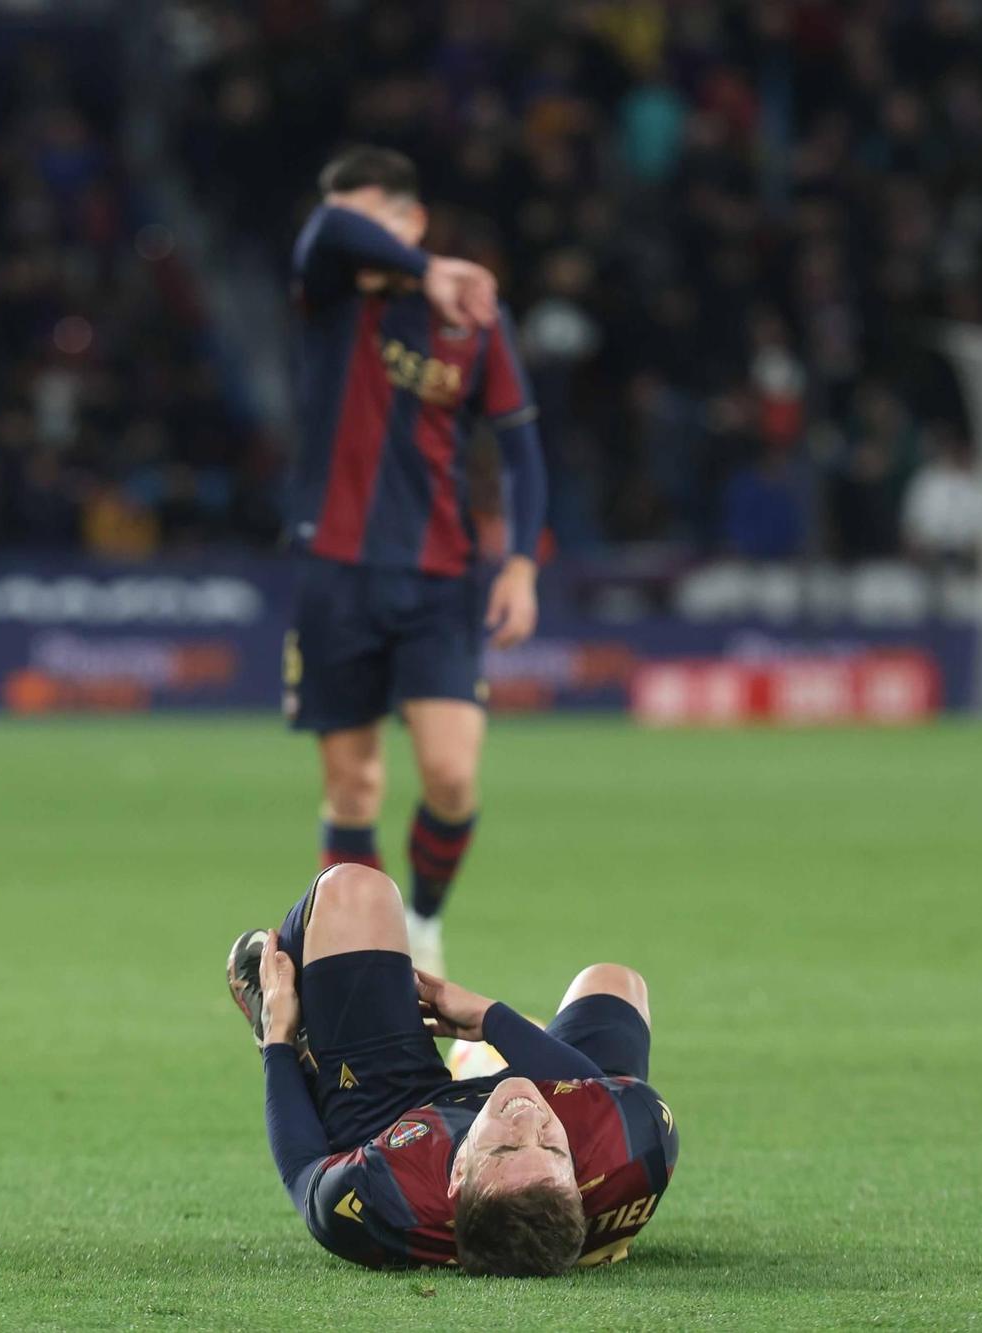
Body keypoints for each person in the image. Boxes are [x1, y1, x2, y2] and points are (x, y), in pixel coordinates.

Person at [282, 146, 550, 976]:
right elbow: (328, 227)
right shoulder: (333, 295)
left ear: (414, 216)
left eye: (380, 223)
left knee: (450, 773)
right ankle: (355, 966)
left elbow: (521, 452)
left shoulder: (474, 320)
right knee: (354, 790)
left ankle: (424, 922)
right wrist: (426, 268)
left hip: (439, 574)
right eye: (358, 226)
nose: (363, 238)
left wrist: (520, 565)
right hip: (336, 569)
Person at [225, 864, 677, 1275]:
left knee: (356, 890)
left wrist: (278, 1039)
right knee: (615, 983)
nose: (527, 1121)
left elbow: (305, 1170)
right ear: (577, 1186)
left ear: (459, 1174)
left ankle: (311, 1047)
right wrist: (489, 1018)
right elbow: (595, 1088)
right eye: (551, 1149)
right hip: (555, 1125)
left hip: (393, 1114)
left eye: (505, 1149)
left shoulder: (388, 1200)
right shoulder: (633, 1151)